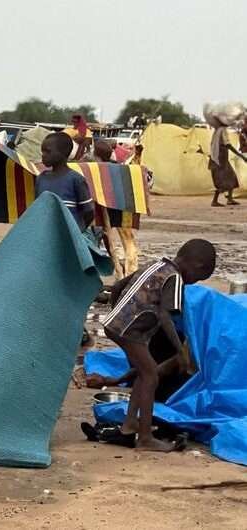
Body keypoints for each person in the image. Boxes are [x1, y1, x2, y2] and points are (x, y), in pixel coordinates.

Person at [101, 239, 216, 451]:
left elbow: (117, 286)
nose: (193, 283)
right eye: (197, 279)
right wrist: (180, 351)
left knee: (146, 373)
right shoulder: (175, 279)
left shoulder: (156, 265)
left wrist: (118, 314)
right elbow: (165, 316)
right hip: (130, 331)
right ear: (196, 266)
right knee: (151, 376)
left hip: (120, 326)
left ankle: (130, 424)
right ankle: (145, 438)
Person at [92, 140, 139, 276]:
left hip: (106, 209)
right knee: (128, 241)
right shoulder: (121, 168)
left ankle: (121, 273)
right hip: (123, 207)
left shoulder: (95, 169)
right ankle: (130, 272)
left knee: (104, 240)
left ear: (96, 154)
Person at [37, 132, 94, 230]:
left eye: (48, 151)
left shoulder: (75, 179)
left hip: (68, 237)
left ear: (64, 152)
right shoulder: (41, 178)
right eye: (42, 151)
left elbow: (89, 212)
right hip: (46, 236)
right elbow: (38, 209)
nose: (43, 155)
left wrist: (77, 232)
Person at [208, 125, 241, 207]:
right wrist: (242, 156)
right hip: (220, 158)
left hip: (219, 158)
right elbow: (228, 144)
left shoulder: (217, 130)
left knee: (231, 176)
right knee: (222, 180)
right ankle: (214, 201)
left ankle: (230, 199)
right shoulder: (222, 130)